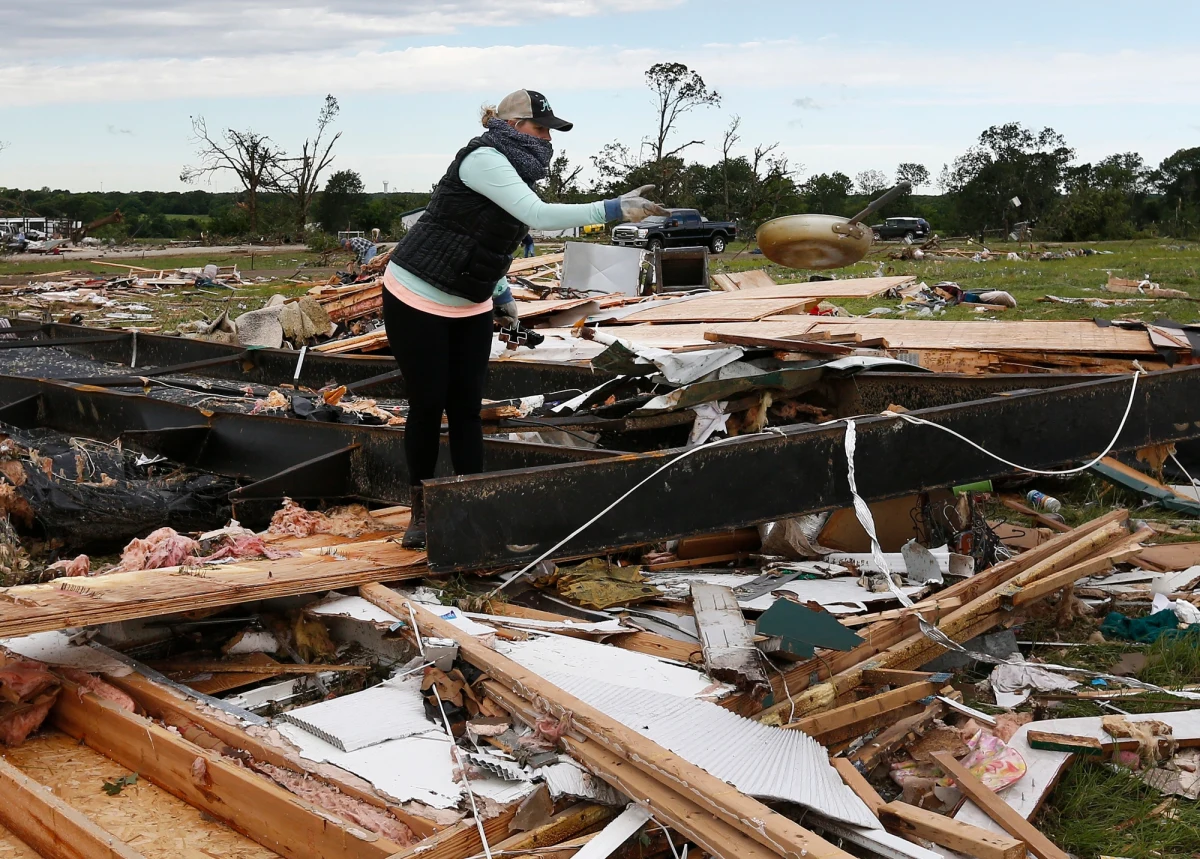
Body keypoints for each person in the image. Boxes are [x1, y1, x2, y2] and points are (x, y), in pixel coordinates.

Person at [384, 88, 666, 548]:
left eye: (551, 131)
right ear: (514, 126)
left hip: (469, 301)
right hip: (417, 296)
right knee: (428, 405)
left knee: (467, 411)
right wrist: (612, 208)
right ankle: (421, 512)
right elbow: (535, 215)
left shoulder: (515, 170)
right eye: (541, 128)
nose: (548, 139)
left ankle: (469, 509)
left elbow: (495, 236)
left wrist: (500, 293)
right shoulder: (484, 159)